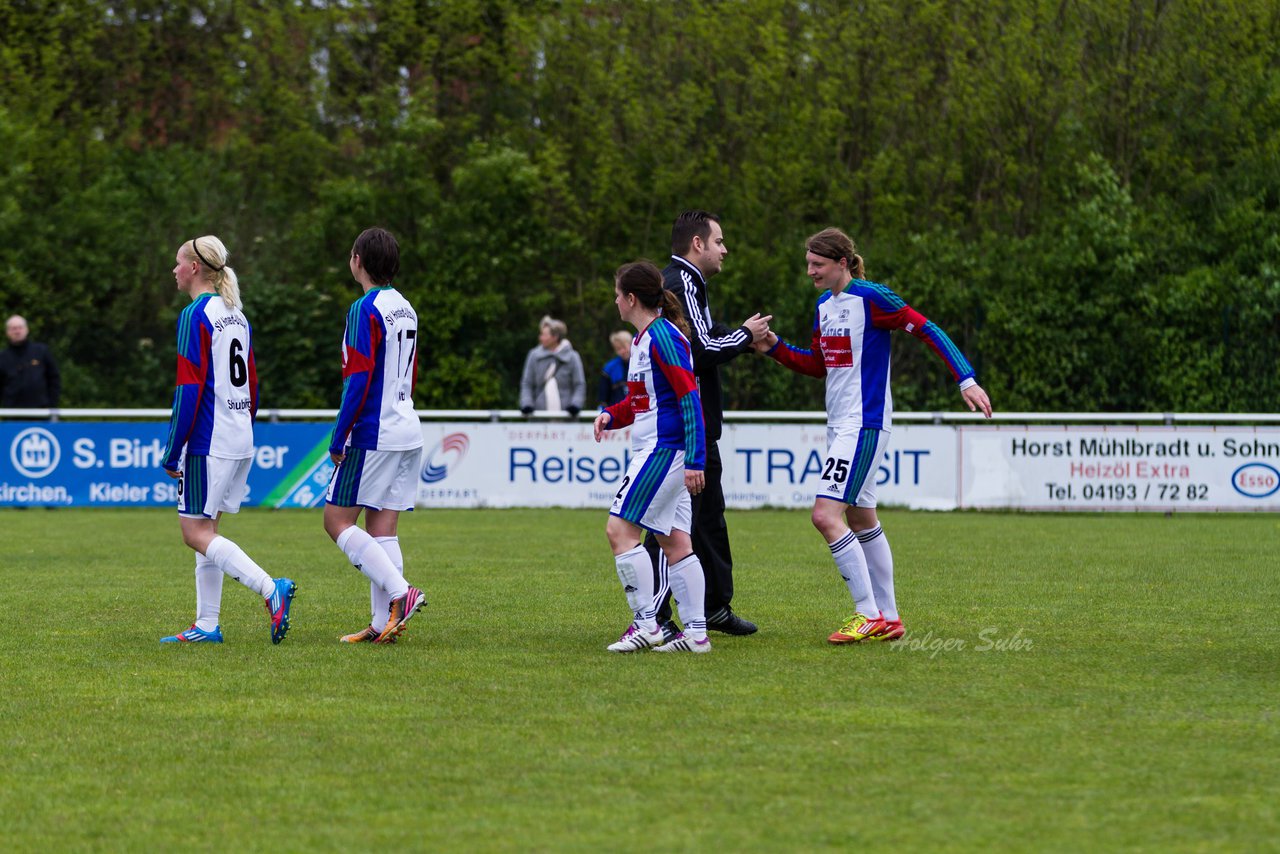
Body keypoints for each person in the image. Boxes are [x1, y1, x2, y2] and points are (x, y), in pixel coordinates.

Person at [755, 227, 992, 643]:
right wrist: (774, 346)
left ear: (842, 263)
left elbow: (928, 328)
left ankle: (867, 614)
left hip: (864, 423)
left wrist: (965, 379)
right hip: (840, 425)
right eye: (808, 264)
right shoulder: (824, 307)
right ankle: (891, 618)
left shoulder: (873, 298)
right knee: (862, 518)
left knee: (825, 516)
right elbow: (818, 365)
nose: (810, 271)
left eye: (818, 264)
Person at [159, 236, 297, 644]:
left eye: (178, 262)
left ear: (196, 268)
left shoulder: (195, 314)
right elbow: (253, 382)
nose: (175, 270)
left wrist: (173, 447)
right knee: (209, 531)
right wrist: (242, 425)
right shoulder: (236, 315)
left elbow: (188, 388)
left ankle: (271, 588)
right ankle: (206, 625)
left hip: (208, 439)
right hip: (238, 435)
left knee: (193, 533)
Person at [642, 210, 771, 641]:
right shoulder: (678, 284)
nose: (724, 249)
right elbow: (699, 349)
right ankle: (655, 614)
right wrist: (744, 336)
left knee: (707, 519)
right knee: (668, 523)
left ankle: (714, 607)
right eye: (719, 241)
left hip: (696, 426)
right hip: (683, 429)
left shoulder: (688, 285)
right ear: (697, 244)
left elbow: (706, 333)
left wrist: (746, 340)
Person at [594, 260, 710, 653]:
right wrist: (612, 415)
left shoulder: (663, 336)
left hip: (665, 450)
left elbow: (689, 397)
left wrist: (695, 458)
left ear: (630, 298)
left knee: (619, 531)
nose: (615, 302)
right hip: (660, 448)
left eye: (616, 295)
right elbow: (643, 402)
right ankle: (696, 634)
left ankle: (648, 624)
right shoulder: (645, 339)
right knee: (676, 541)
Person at [323, 227, 428, 645]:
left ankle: (403, 593)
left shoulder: (363, 309)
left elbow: (358, 378)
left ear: (358, 261)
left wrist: (339, 434)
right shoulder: (406, 307)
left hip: (374, 431)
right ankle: (383, 621)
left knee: (336, 520)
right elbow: (411, 374)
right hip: (406, 427)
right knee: (383, 528)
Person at [519, 316, 585, 418]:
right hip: (538, 417)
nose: (540, 338)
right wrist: (527, 404)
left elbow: (579, 385)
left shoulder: (572, 357)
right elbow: (527, 383)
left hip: (566, 417)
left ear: (555, 337)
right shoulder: (534, 355)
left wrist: (575, 405)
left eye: (544, 335)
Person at [0, 315, 61, 408]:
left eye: (20, 328)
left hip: (41, 412)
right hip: (12, 413)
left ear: (26, 330)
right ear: (7, 332)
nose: (17, 331)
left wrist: (52, 404)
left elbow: (54, 379)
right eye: (13, 328)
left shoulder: (41, 351)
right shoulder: (2, 357)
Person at [597, 329, 631, 408]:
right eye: (618, 349)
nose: (622, 351)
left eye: (624, 347)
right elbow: (603, 398)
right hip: (616, 414)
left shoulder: (641, 364)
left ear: (631, 344)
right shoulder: (609, 368)